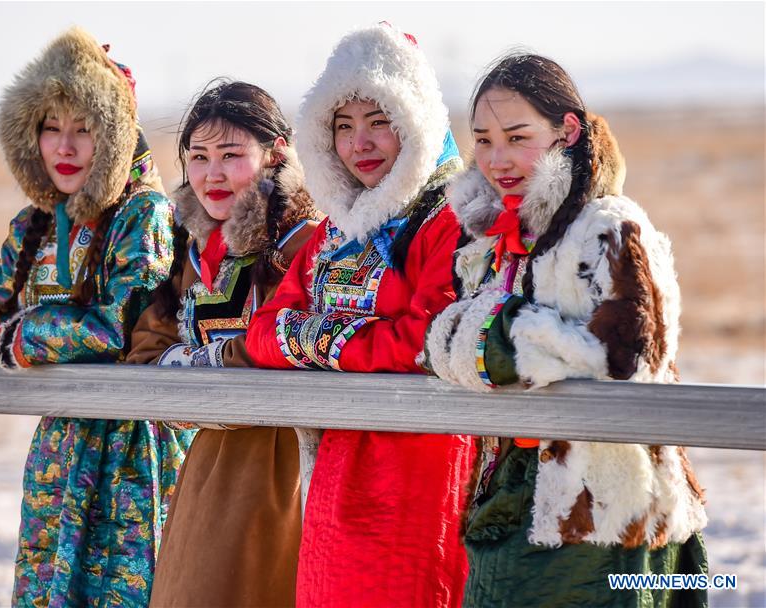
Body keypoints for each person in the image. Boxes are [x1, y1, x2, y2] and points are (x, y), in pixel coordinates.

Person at [423, 53, 708, 607]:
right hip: (508, 494)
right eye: (481, 140)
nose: (496, 158)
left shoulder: (608, 225)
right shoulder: (486, 244)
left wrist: (494, 340)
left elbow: (628, 355)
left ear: (567, 131)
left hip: (609, 510)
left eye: (517, 136)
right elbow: (437, 344)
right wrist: (496, 343)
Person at [246, 23, 475, 608]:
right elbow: (263, 331)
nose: (360, 143)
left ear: (415, 123)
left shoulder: (447, 223)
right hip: (335, 467)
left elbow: (428, 339)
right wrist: (336, 341)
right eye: (343, 127)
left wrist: (321, 341)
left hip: (418, 468)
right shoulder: (333, 234)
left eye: (379, 122)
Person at [0, 27, 194, 606]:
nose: (64, 148)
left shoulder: (143, 214)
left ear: (115, 137)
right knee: (48, 590)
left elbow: (116, 328)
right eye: (51, 128)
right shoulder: (32, 226)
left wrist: (24, 336)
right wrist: (15, 336)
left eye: (84, 130)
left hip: (131, 447)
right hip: (59, 443)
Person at [126, 80, 320, 607]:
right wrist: (195, 371)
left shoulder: (304, 244)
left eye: (232, 155)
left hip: (288, 469)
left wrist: (192, 367)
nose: (212, 173)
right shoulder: (189, 252)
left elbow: (276, 347)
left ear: (276, 153)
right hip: (209, 469)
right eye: (199, 156)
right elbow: (146, 349)